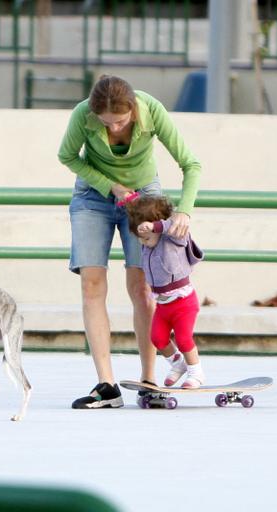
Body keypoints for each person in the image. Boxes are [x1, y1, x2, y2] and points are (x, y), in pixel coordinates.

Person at [57, 75, 202, 409]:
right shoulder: (83, 114)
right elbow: (68, 156)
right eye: (106, 123)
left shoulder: (152, 110)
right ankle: (107, 386)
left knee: (143, 286)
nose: (114, 128)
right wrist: (111, 186)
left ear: (133, 111)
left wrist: (185, 211)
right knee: (92, 285)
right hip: (93, 197)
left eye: (120, 121)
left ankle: (149, 379)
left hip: (144, 197)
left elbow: (191, 164)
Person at [126, 196, 205, 388]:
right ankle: (178, 364)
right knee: (158, 338)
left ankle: (196, 372)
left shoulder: (174, 238)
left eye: (146, 238)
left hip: (183, 302)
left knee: (183, 338)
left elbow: (174, 225)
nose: (144, 243)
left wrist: (155, 227)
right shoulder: (148, 247)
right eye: (140, 240)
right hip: (163, 304)